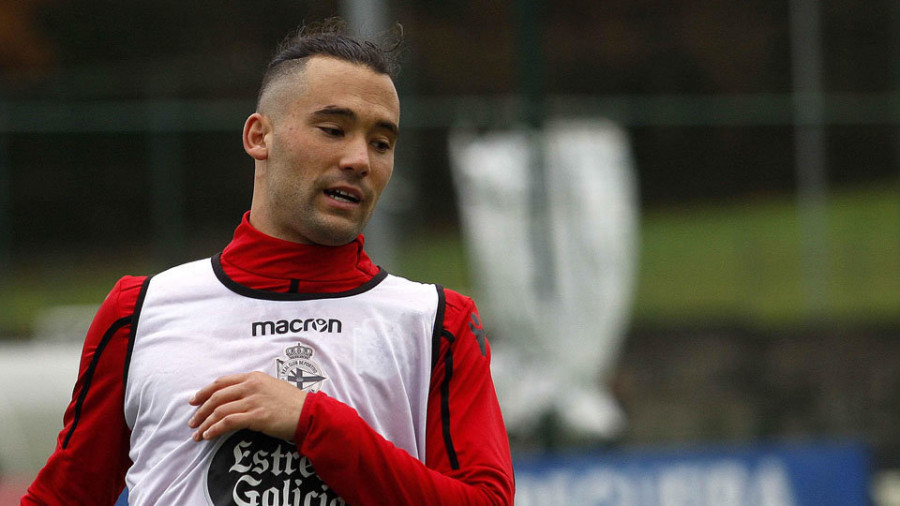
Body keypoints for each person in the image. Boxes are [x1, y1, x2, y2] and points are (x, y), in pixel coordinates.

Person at [21, 19, 514, 506]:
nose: (360, 159)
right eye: (333, 129)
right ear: (259, 136)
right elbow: (67, 494)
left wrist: (316, 423)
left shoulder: (436, 323)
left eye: (381, 143)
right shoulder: (140, 310)